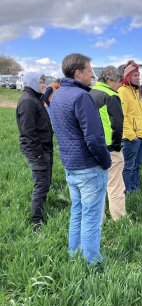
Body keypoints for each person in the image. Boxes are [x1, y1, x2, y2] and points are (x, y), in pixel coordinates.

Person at [51, 53, 111, 264]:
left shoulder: (57, 95)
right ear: (78, 73)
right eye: (89, 70)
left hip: (71, 166)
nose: (92, 74)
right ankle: (92, 263)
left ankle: (74, 253)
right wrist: (105, 161)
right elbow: (94, 137)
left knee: (77, 212)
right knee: (92, 217)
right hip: (88, 167)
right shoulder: (81, 96)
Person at [16, 72, 53, 230]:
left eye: (44, 82)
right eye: (41, 82)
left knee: (45, 181)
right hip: (37, 150)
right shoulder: (28, 101)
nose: (44, 85)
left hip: (43, 147)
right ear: (32, 82)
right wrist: (38, 153)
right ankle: (36, 221)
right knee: (42, 183)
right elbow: (28, 131)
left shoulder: (36, 98)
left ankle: (41, 210)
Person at [90, 66, 126, 221]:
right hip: (110, 147)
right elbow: (117, 124)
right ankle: (120, 219)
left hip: (93, 146)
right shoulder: (111, 96)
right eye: (119, 81)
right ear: (110, 80)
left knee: (97, 186)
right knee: (115, 185)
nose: (120, 85)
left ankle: (100, 217)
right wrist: (117, 146)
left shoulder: (90, 93)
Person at [118, 60, 142, 193]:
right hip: (131, 137)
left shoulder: (136, 91)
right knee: (128, 166)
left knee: (137, 165)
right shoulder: (122, 92)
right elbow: (122, 116)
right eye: (135, 75)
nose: (138, 77)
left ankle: (135, 188)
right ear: (127, 76)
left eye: (138, 75)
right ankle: (127, 190)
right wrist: (132, 136)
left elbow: (135, 112)